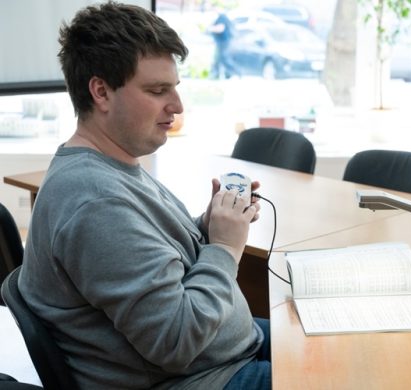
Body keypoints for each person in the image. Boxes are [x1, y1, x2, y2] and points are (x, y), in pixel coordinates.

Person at [18, 2, 270, 389]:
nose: (177, 107)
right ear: (101, 91)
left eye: (175, 88)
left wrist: (210, 225)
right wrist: (225, 248)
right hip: (206, 376)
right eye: (157, 91)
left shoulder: (114, 164)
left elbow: (152, 253)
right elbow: (175, 340)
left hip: (227, 350)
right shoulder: (94, 201)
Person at [208, 11, 241, 79]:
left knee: (223, 58)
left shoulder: (221, 17)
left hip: (224, 42)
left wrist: (210, 28)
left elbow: (220, 29)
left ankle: (236, 73)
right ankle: (217, 74)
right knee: (218, 58)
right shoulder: (220, 17)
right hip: (221, 42)